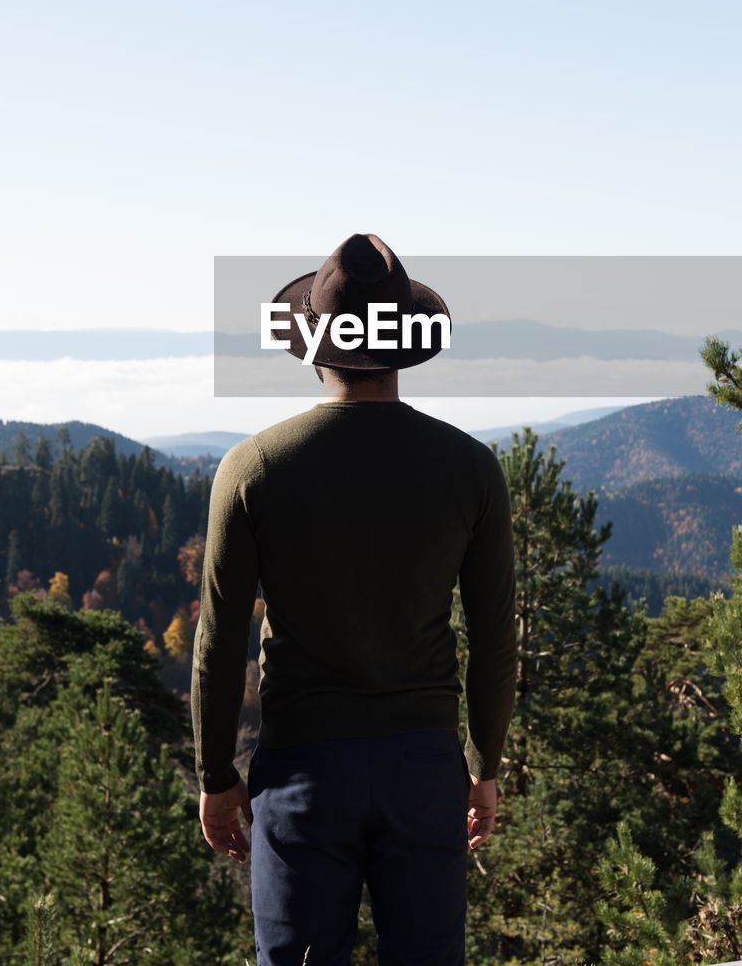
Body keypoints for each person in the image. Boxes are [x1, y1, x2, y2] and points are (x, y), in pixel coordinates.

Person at [191, 233, 517, 966]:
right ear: (404, 343)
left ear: (313, 343)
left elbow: (218, 643)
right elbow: (496, 639)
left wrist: (216, 776)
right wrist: (483, 763)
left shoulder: (253, 468)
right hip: (423, 769)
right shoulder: (470, 469)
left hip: (303, 769)